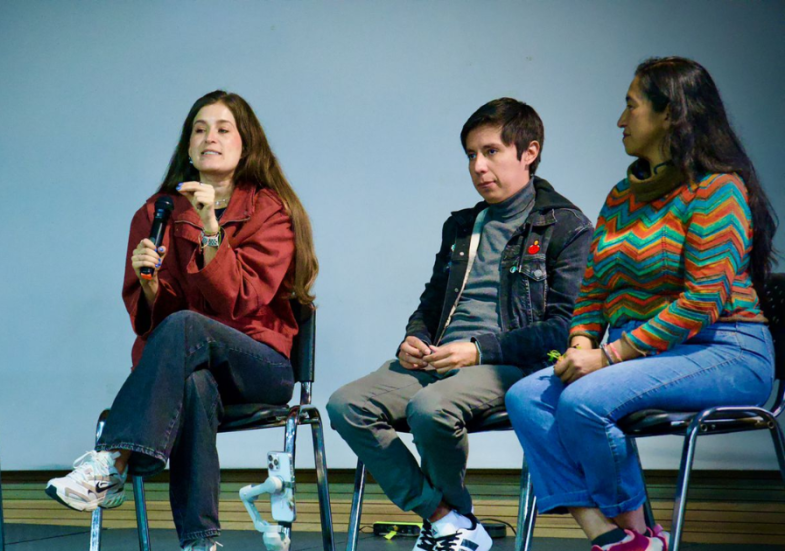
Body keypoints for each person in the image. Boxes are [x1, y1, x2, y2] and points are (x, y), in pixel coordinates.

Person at [505, 57, 778, 551]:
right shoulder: (620, 198)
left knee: (586, 402)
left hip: (728, 350)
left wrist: (607, 356)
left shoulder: (718, 191)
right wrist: (582, 341)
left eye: (631, 106)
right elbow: (593, 292)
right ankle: (616, 538)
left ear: (671, 114)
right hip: (647, 352)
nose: (620, 120)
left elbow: (701, 302)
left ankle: (635, 536)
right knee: (526, 397)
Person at [45, 90, 318, 551]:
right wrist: (149, 285)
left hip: (260, 364)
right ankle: (200, 542)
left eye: (222, 128)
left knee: (190, 329)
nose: (209, 136)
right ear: (188, 148)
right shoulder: (158, 212)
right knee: (191, 385)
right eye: (199, 128)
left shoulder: (271, 211)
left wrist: (210, 222)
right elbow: (161, 332)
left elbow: (240, 300)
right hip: (192, 364)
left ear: (246, 145)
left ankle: (113, 460)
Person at [326, 98, 593, 551]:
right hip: (438, 358)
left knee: (431, 409)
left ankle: (455, 529)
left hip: (510, 364)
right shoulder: (462, 226)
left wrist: (478, 350)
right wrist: (415, 336)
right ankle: (449, 519)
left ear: (529, 152)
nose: (478, 166)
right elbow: (431, 301)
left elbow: (564, 327)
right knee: (345, 404)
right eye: (471, 155)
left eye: (491, 151)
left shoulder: (564, 226)